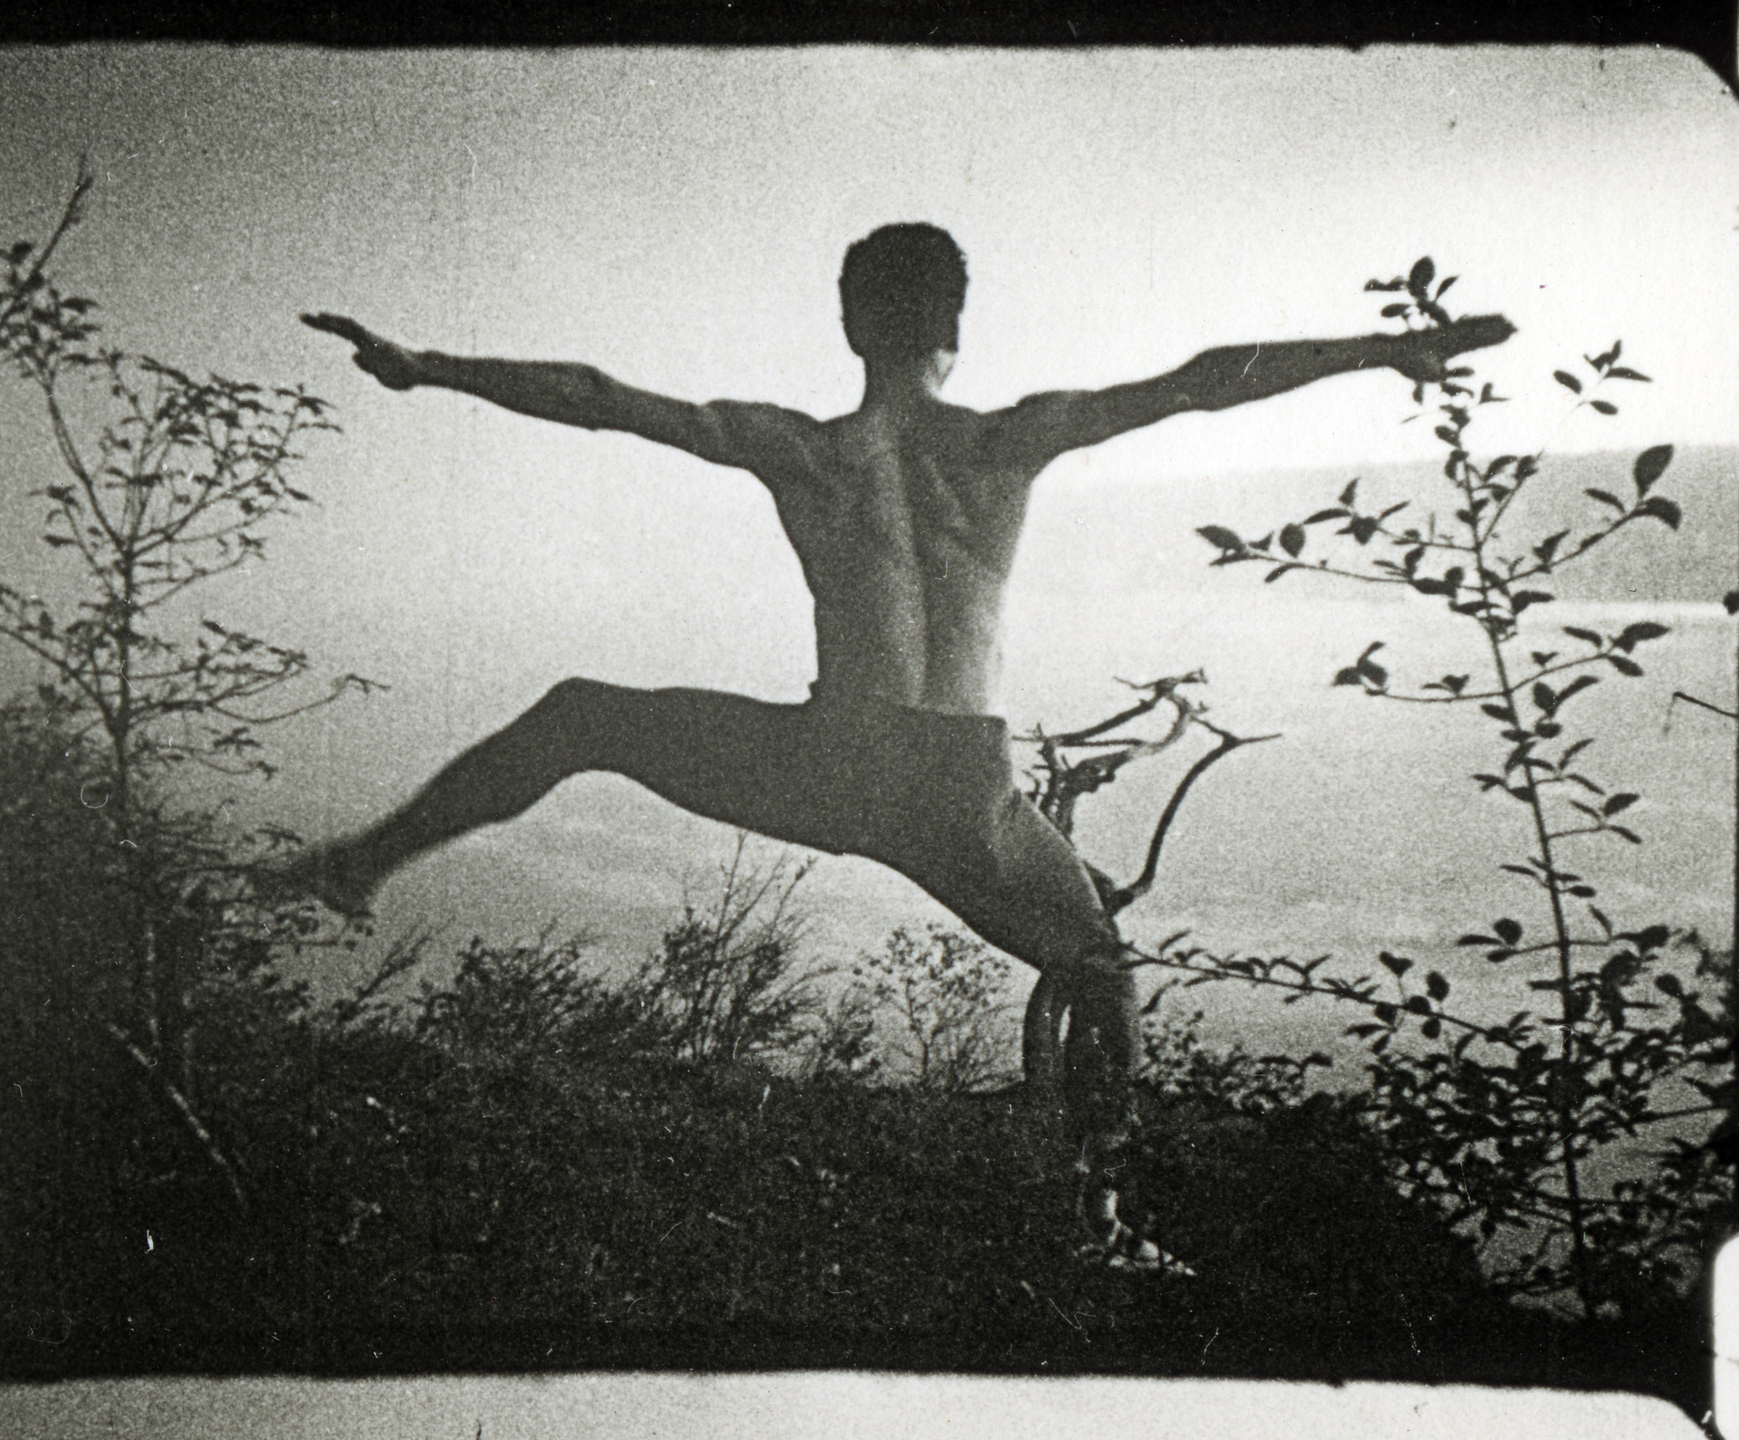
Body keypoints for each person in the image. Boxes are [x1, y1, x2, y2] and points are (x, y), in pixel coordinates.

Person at [294, 224, 1512, 1263]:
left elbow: (604, 401)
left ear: (848, 323)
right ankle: (1102, 1219)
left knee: (582, 717)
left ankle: (362, 865)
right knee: (1100, 969)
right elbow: (1206, 378)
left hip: (834, 761)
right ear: (957, 329)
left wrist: (429, 369)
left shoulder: (802, 446)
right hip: (965, 787)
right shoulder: (1013, 439)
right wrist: (1380, 350)